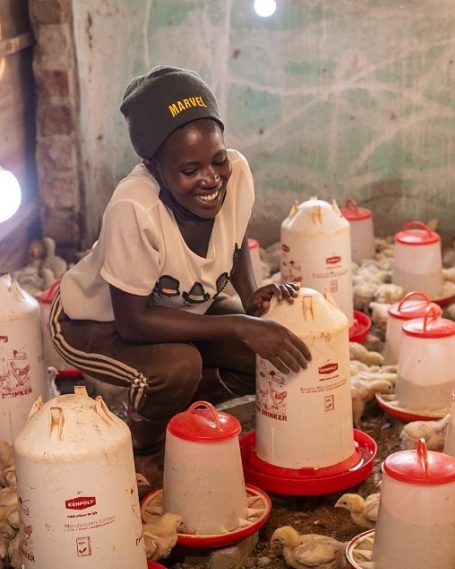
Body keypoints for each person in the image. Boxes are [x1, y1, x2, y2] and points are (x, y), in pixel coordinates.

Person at [49, 65, 311, 486]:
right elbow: (133, 322)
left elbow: (234, 240)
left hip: (180, 310)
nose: (211, 179)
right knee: (178, 365)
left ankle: (172, 410)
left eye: (218, 160)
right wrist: (239, 325)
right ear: (153, 166)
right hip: (96, 321)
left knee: (265, 354)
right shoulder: (135, 208)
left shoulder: (236, 174)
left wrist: (250, 300)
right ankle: (142, 448)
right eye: (190, 170)